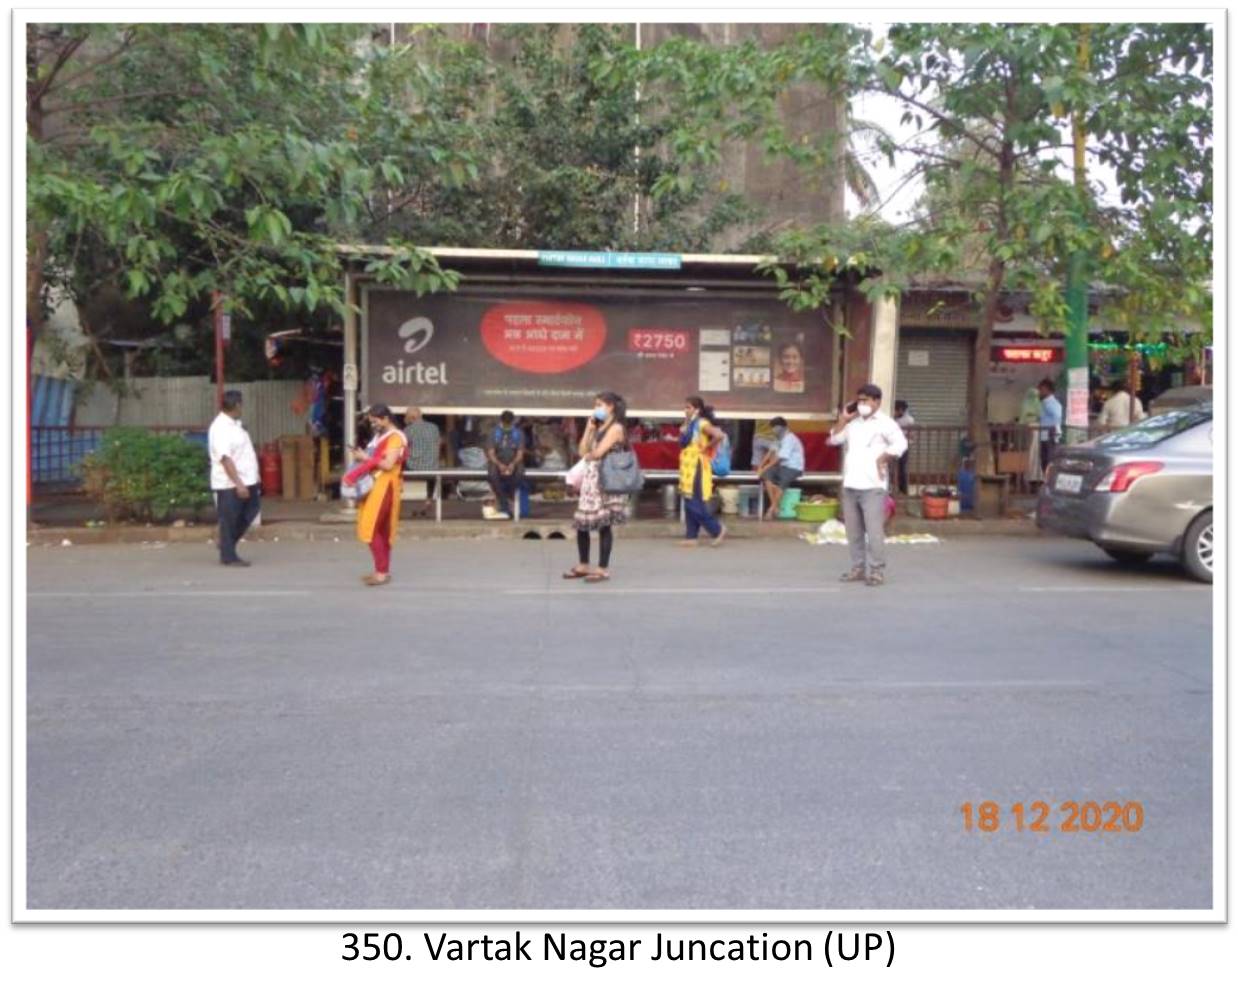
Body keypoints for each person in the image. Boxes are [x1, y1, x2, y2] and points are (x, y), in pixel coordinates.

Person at [828, 384, 907, 587]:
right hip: (851, 484)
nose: (861, 404)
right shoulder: (853, 424)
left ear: (877, 402)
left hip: (873, 486)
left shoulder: (886, 424)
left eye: (866, 400)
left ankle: (877, 570)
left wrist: (884, 457)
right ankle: (858, 568)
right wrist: (843, 419)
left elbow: (901, 444)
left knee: (874, 532)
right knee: (853, 532)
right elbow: (833, 439)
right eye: (859, 400)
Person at [564, 392, 630, 583]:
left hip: (606, 480)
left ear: (611, 407)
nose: (596, 408)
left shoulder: (616, 428)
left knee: (604, 524)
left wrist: (589, 454)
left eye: (599, 405)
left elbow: (598, 453)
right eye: (595, 405)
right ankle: (583, 564)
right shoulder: (599, 427)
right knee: (582, 523)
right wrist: (589, 428)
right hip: (591, 480)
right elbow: (582, 451)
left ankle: (602, 568)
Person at [348, 404, 408, 587]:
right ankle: (381, 571)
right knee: (379, 530)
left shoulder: (396, 437)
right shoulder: (380, 436)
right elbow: (376, 460)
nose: (373, 425)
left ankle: (381, 573)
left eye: (375, 421)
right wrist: (362, 457)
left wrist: (365, 458)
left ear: (386, 419)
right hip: (376, 485)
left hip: (384, 487)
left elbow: (388, 464)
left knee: (372, 528)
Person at [208, 390, 261, 567]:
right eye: (241, 405)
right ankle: (228, 556)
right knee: (230, 519)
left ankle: (226, 543)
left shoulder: (235, 424)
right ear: (237, 405)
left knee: (252, 510)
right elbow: (225, 459)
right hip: (230, 483)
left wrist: (254, 475)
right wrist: (238, 484)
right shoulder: (220, 428)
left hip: (248, 479)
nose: (242, 408)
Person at [677, 396, 727, 547]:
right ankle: (691, 536)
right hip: (688, 467)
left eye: (688, 407)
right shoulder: (689, 424)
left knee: (693, 502)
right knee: (689, 500)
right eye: (685, 407)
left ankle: (716, 529)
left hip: (696, 466)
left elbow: (719, 435)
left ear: (697, 410)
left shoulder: (701, 423)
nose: (685, 410)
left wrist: (707, 447)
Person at [756, 416, 804, 519]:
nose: (774, 430)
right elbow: (770, 452)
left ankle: (771, 509)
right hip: (781, 467)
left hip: (793, 467)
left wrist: (765, 467)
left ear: (783, 427)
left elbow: (780, 457)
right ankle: (776, 507)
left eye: (775, 427)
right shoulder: (778, 438)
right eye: (772, 428)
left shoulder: (789, 438)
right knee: (766, 475)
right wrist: (761, 467)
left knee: (782, 481)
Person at [486, 410, 525, 518]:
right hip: (497, 460)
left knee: (519, 473)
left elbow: (520, 453)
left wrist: (513, 464)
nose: (507, 426)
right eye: (505, 423)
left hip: (514, 460)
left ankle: (510, 495)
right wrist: (499, 464)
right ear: (501, 421)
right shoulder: (494, 432)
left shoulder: (518, 433)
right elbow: (491, 453)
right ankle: (503, 500)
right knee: (492, 474)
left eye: (509, 423)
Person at [404, 407, 441, 515]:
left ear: (412, 417)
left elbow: (403, 447)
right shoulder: (434, 427)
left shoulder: (408, 430)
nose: (404, 418)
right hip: (432, 466)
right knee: (432, 468)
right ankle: (429, 500)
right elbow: (438, 444)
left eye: (406, 416)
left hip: (413, 466)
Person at [1037, 377, 1063, 472]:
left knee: (1049, 458)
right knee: (1044, 458)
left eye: (1041, 390)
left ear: (1047, 390)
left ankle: (1050, 477)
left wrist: (1055, 431)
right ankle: (1046, 476)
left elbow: (1057, 416)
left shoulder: (1051, 403)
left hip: (1050, 432)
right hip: (1044, 433)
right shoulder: (1044, 403)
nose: (1039, 392)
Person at [893, 400, 915, 495]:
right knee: (894, 468)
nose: (895, 412)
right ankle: (895, 489)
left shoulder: (909, 420)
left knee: (902, 468)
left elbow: (912, 435)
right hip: (893, 445)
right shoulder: (893, 418)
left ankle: (903, 490)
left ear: (901, 410)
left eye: (896, 410)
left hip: (903, 447)